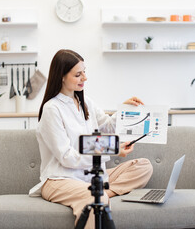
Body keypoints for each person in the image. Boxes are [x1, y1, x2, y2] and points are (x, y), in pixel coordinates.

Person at [29, 49, 153, 229]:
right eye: (78, 74)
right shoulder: (52, 109)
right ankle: (99, 194)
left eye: (84, 72)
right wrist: (112, 150)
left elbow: (108, 126)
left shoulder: (85, 101)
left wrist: (124, 109)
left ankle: (100, 191)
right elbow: (67, 157)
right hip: (61, 179)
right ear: (62, 77)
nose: (84, 78)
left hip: (91, 175)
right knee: (98, 200)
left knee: (143, 166)